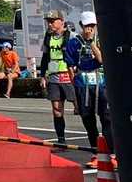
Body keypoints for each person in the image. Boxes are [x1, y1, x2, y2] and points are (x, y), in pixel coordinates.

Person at [72, 10, 111, 160]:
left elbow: (101, 59)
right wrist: (74, 92)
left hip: (101, 84)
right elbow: (70, 67)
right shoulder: (74, 42)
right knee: (88, 119)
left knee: (106, 118)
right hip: (83, 85)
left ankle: (112, 152)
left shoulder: (102, 40)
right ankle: (96, 153)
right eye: (87, 25)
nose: (90, 29)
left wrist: (91, 42)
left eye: (93, 25)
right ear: (81, 25)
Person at [37, 10, 78, 143]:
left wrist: (76, 70)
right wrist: (42, 75)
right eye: (48, 22)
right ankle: (61, 139)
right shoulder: (48, 37)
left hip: (69, 75)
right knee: (56, 109)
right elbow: (45, 57)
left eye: (52, 21)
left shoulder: (72, 36)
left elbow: (78, 54)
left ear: (61, 21)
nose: (50, 24)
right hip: (54, 76)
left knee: (79, 107)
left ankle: (94, 138)